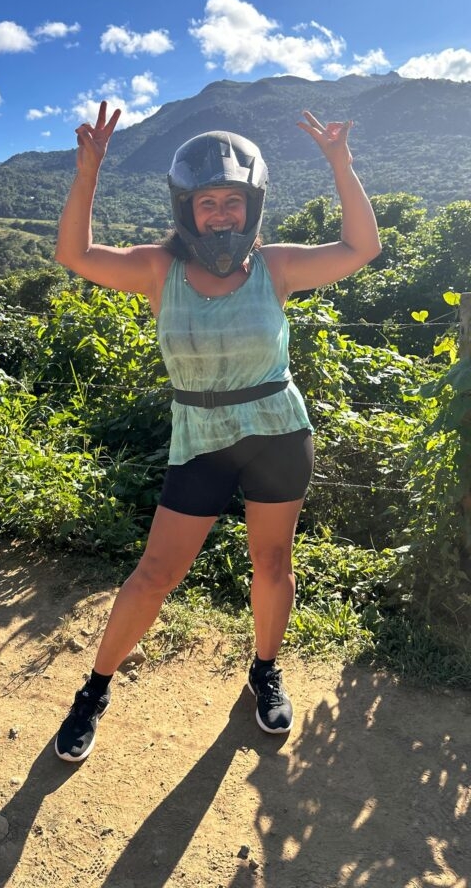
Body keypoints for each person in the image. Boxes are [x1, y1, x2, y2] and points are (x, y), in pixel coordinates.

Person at [53, 101, 381, 762]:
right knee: (153, 575)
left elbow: (361, 249)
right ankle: (94, 689)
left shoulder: (277, 266)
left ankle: (265, 671)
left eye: (234, 201)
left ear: (252, 206)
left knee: (272, 564)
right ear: (187, 210)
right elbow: (76, 254)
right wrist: (88, 169)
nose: (222, 214)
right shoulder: (157, 269)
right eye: (209, 203)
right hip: (199, 439)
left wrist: (340, 163)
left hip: (278, 435)